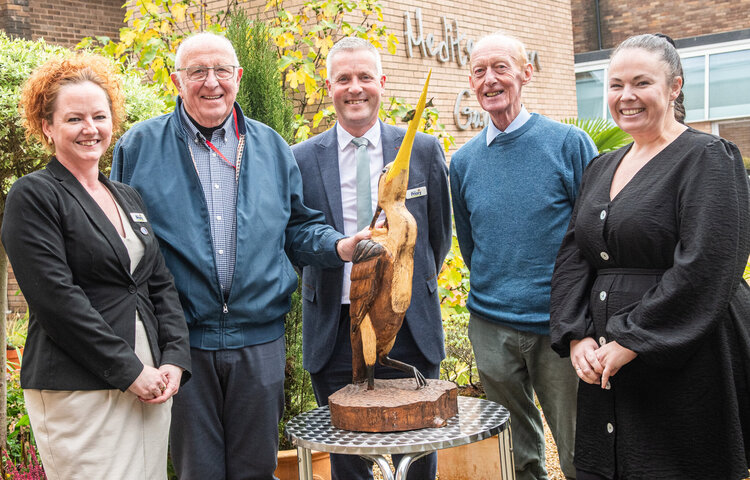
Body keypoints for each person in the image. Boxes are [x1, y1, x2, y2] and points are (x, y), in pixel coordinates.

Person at [111, 32, 365, 480]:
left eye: (222, 71)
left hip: (259, 342)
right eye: (197, 72)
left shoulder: (271, 147)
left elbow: (298, 228)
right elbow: (123, 247)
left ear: (238, 77)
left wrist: (339, 246)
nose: (212, 82)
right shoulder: (139, 147)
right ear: (176, 80)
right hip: (180, 345)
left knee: (256, 470)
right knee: (198, 472)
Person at [550, 33, 750, 480]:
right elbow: (574, 257)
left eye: (642, 83)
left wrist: (633, 339)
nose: (626, 97)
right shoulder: (601, 166)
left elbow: (709, 263)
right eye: (616, 84)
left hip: (684, 351)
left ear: (674, 87)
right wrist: (577, 334)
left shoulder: (708, 158)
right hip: (604, 354)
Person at [1, 54, 191, 480]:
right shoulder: (34, 196)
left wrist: (174, 359)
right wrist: (129, 371)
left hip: (151, 381)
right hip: (80, 385)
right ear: (47, 126)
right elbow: (57, 301)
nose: (90, 128)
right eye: (74, 118)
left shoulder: (126, 196)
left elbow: (159, 284)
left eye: (99, 116)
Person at [292, 37, 452, 480]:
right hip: (337, 329)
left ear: (382, 82)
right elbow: (297, 241)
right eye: (344, 78)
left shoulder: (421, 150)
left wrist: (400, 288)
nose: (355, 87)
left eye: (365, 76)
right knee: (349, 458)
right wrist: (341, 248)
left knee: (418, 450)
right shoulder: (301, 160)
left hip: (409, 326)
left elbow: (438, 238)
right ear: (329, 87)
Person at [450, 33, 597, 480]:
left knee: (579, 449)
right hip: (491, 326)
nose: (489, 80)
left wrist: (583, 316)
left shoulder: (569, 145)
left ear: (525, 73)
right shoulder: (463, 161)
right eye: (479, 71)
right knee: (515, 453)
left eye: (500, 67)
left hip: (561, 326)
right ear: (471, 82)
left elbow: (593, 235)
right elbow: (470, 241)